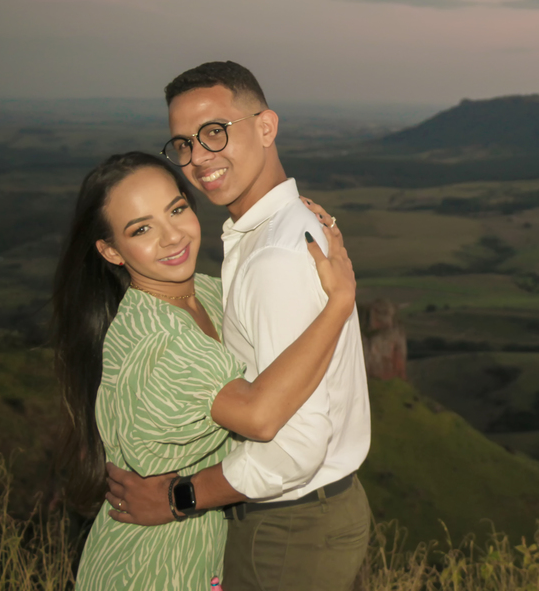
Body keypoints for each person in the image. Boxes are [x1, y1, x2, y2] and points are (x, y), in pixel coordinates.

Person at [105, 62, 372, 591]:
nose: (198, 158)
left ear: (266, 127)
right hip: (316, 515)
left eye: (214, 132)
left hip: (288, 529)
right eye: (184, 144)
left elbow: (294, 447)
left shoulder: (273, 257)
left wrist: (179, 497)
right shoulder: (283, 229)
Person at [53, 151, 353, 590]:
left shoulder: (209, 295)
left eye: (176, 209)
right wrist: (339, 303)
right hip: (148, 567)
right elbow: (259, 416)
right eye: (142, 229)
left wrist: (298, 222)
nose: (172, 236)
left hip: (196, 551)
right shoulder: (158, 338)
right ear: (111, 251)